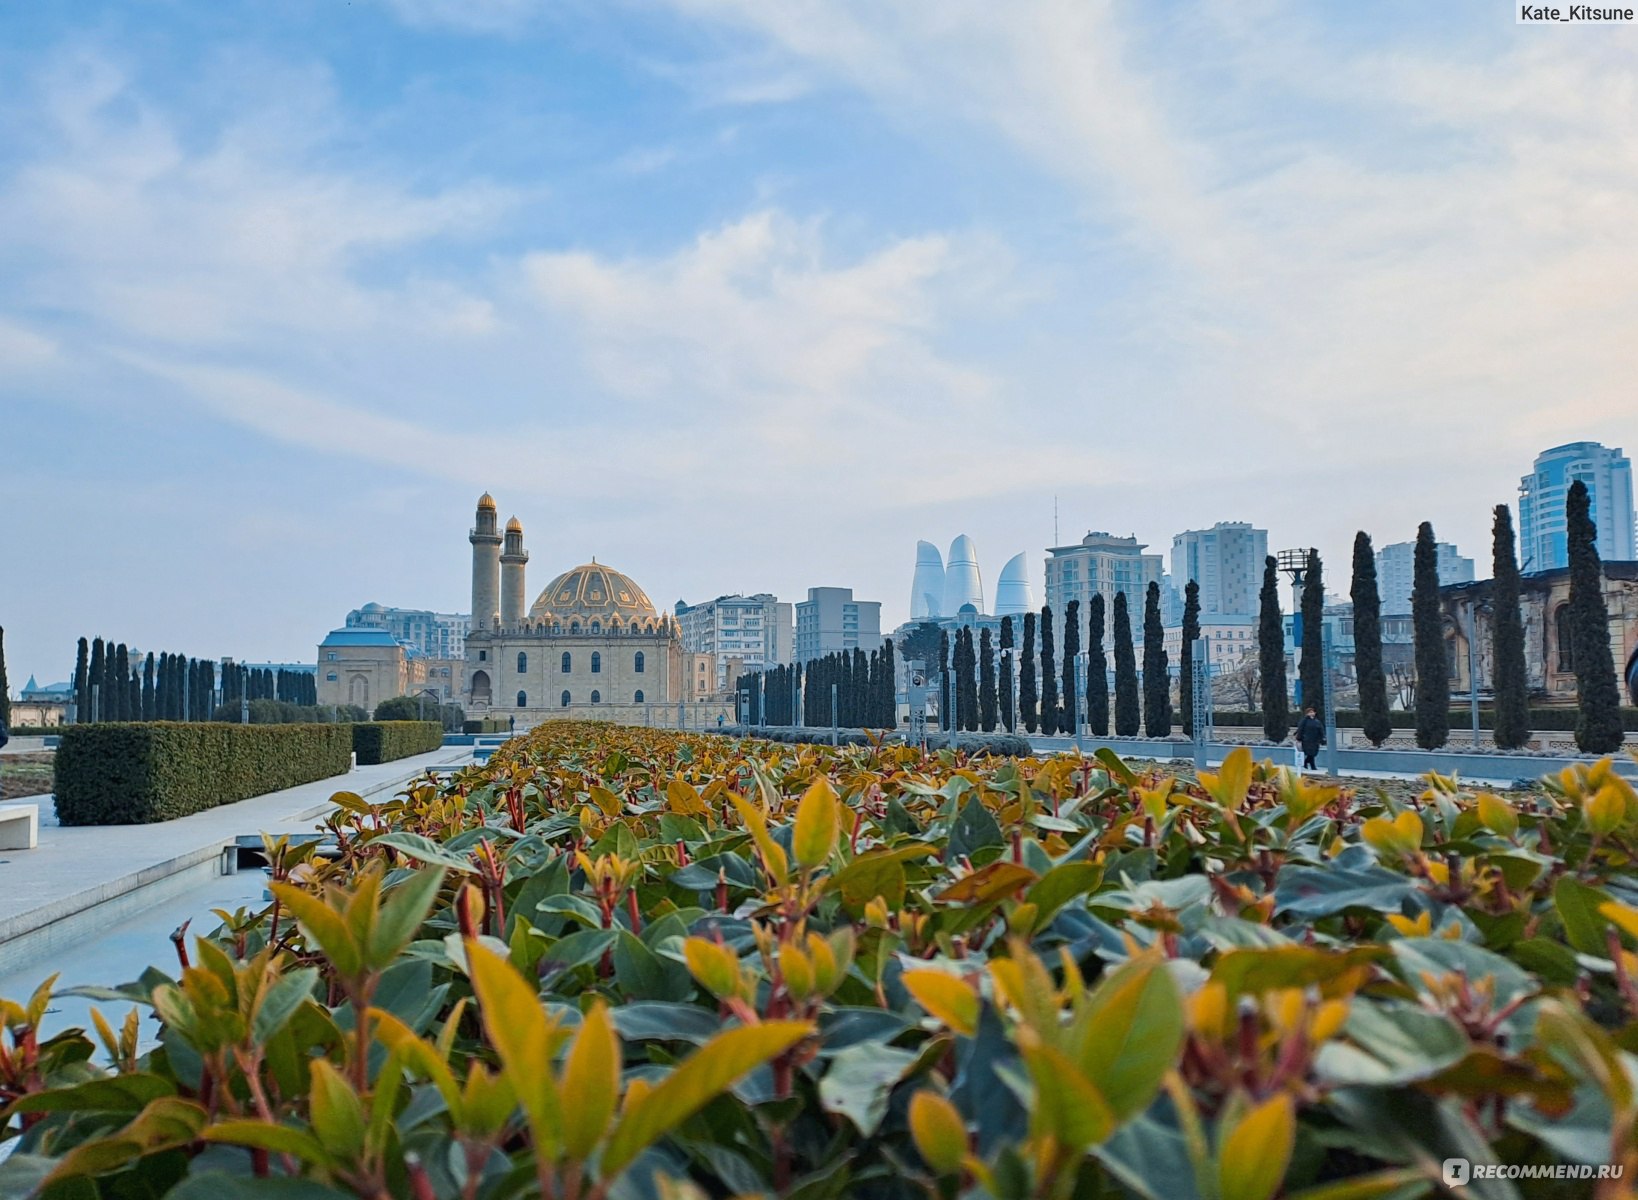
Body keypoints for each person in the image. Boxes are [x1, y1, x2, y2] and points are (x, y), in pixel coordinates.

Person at [1295, 704, 1324, 771]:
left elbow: (1321, 730)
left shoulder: (1317, 721)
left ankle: (1306, 762)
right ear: (1307, 713)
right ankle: (1312, 766)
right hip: (1307, 740)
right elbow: (1300, 729)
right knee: (1310, 753)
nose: (1311, 713)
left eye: (1312, 712)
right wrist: (1299, 738)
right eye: (1310, 712)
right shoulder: (1304, 721)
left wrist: (1322, 738)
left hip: (1315, 740)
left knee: (1313, 753)